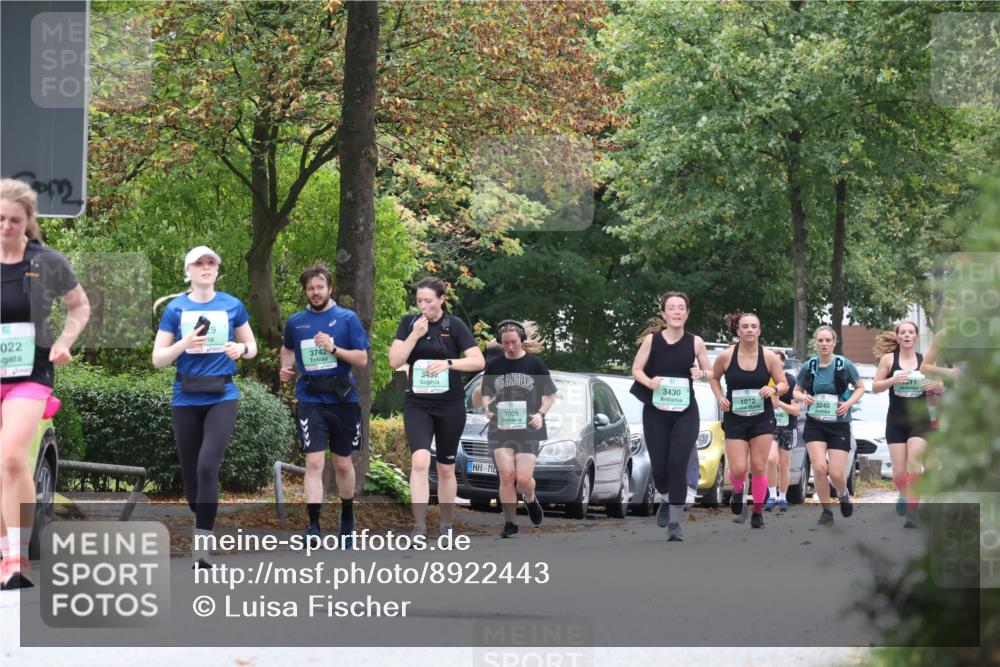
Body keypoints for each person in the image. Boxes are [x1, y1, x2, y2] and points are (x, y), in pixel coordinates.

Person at [0, 179, 90, 589]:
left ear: (28, 221)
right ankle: (6, 551)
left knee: (13, 457)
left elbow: (79, 306)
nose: (5, 226)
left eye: (14, 220)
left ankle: (17, 558)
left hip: (31, 371)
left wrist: (65, 341)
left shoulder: (47, 261)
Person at [153, 246, 257, 567]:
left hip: (222, 395)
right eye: (199, 263)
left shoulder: (232, 305)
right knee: (192, 483)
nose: (206, 267)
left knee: (208, 466)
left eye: (212, 262)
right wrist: (183, 344)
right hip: (186, 397)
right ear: (188, 271)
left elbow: (252, 346)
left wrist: (240, 348)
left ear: (217, 270)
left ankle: (202, 549)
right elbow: (158, 359)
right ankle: (203, 514)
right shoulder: (176, 309)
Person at [280, 261, 370, 547]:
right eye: (310, 288)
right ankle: (313, 525)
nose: (315, 292)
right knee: (314, 461)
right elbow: (288, 347)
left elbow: (362, 359)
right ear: (306, 291)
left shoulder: (347, 319)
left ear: (330, 288)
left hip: (342, 399)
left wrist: (333, 348)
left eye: (320, 287)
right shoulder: (296, 321)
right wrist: (285, 367)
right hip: (310, 398)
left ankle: (347, 516)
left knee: (342, 463)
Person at [388, 277, 484, 539]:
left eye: (428, 301)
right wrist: (414, 335)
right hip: (418, 404)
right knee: (419, 460)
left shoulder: (454, 325)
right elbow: (394, 360)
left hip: (450, 405)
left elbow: (478, 360)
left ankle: (446, 526)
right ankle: (418, 527)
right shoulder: (409, 323)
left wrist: (449, 363)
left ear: (441, 299)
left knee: (445, 468)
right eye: (419, 301)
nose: (423, 306)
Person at [630, 292, 712, 541]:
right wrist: (649, 381)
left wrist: (702, 374)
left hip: (685, 411)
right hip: (656, 412)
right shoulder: (652, 341)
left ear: (687, 313)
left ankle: (675, 523)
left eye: (681, 308)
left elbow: (711, 371)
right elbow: (636, 370)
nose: (676, 312)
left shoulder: (695, 342)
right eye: (671, 308)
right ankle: (665, 498)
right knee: (660, 466)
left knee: (678, 462)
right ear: (664, 314)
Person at [709, 312, 788, 530]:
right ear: (738, 330)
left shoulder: (769, 357)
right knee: (737, 469)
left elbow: (783, 384)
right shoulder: (726, 356)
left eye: (754, 326)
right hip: (735, 418)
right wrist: (720, 397)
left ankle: (757, 512)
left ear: (759, 331)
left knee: (758, 466)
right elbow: (714, 378)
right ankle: (737, 491)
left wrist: (772, 389)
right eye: (745, 326)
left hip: (761, 418)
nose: (750, 330)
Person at [480, 320, 557, 538]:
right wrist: (487, 408)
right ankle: (510, 523)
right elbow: (485, 392)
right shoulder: (495, 366)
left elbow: (550, 395)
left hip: (528, 428)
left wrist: (540, 415)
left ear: (522, 340)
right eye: (506, 343)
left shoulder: (535, 364)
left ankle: (530, 498)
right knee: (506, 475)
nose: (511, 347)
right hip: (501, 427)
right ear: (500, 343)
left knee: (522, 480)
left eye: (514, 342)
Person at [792, 326, 865, 526]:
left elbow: (861, 387)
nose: (824, 344)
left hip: (839, 423)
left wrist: (849, 403)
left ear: (834, 343)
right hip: (815, 423)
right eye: (820, 341)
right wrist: (803, 397)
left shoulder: (844, 364)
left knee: (835, 473)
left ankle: (842, 493)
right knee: (818, 466)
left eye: (827, 340)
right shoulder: (810, 366)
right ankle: (826, 510)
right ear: (815, 343)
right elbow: (795, 391)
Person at [871, 321, 939, 528]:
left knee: (914, 466)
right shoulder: (888, 360)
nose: (907, 335)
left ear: (917, 338)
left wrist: (933, 384)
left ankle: (912, 511)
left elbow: (940, 384)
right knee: (899, 474)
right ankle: (905, 495)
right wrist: (892, 380)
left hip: (920, 420)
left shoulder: (925, 361)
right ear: (898, 337)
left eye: (911, 332)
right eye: (903, 332)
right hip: (896, 420)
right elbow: (875, 387)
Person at [764, 350, 799, 512]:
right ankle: (771, 495)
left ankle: (783, 497)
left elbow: (796, 410)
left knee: (784, 464)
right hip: (769, 426)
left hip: (787, 427)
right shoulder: (764, 379)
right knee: (771, 460)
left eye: (778, 362)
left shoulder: (791, 381)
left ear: (783, 363)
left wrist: (779, 405)